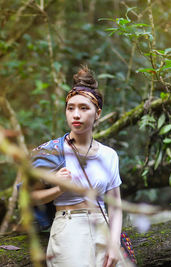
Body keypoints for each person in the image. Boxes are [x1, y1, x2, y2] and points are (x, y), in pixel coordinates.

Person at [31, 66, 124, 267]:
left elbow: (115, 206)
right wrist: (58, 189)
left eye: (84, 108)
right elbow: (30, 197)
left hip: (103, 226)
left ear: (97, 113)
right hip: (68, 227)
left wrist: (115, 243)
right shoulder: (51, 152)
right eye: (70, 107)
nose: (76, 114)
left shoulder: (109, 155)